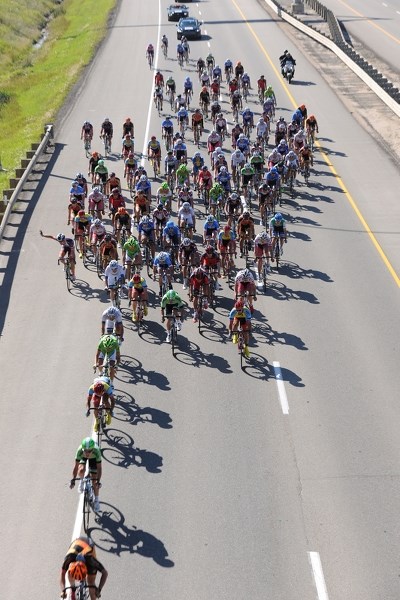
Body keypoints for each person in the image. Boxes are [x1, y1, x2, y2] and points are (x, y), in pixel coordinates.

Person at [60, 536, 108, 600]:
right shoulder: (69, 558)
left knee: (91, 582)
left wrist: (99, 589)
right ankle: (73, 590)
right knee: (69, 574)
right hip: (76, 544)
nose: (79, 580)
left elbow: (105, 573)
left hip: (88, 546)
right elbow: (62, 574)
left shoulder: (91, 560)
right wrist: (63, 590)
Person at [70, 438, 103, 513]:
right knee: (81, 469)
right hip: (83, 458)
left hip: (94, 459)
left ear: (92, 449)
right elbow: (75, 467)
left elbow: (99, 468)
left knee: (94, 481)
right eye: (85, 450)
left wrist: (98, 481)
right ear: (82, 449)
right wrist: (73, 480)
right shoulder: (80, 451)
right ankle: (81, 481)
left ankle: (97, 500)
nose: (87, 453)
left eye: (89, 451)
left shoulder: (96, 451)